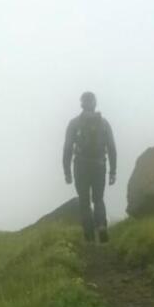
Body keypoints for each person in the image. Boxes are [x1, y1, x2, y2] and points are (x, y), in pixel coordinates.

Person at [63, 91, 117, 243]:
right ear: (95, 103)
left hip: (81, 165)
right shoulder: (104, 123)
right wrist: (113, 171)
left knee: (84, 201)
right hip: (99, 165)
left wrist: (67, 172)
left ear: (82, 104)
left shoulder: (74, 123)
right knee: (98, 199)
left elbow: (67, 148)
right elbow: (112, 148)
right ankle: (101, 226)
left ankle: (89, 236)